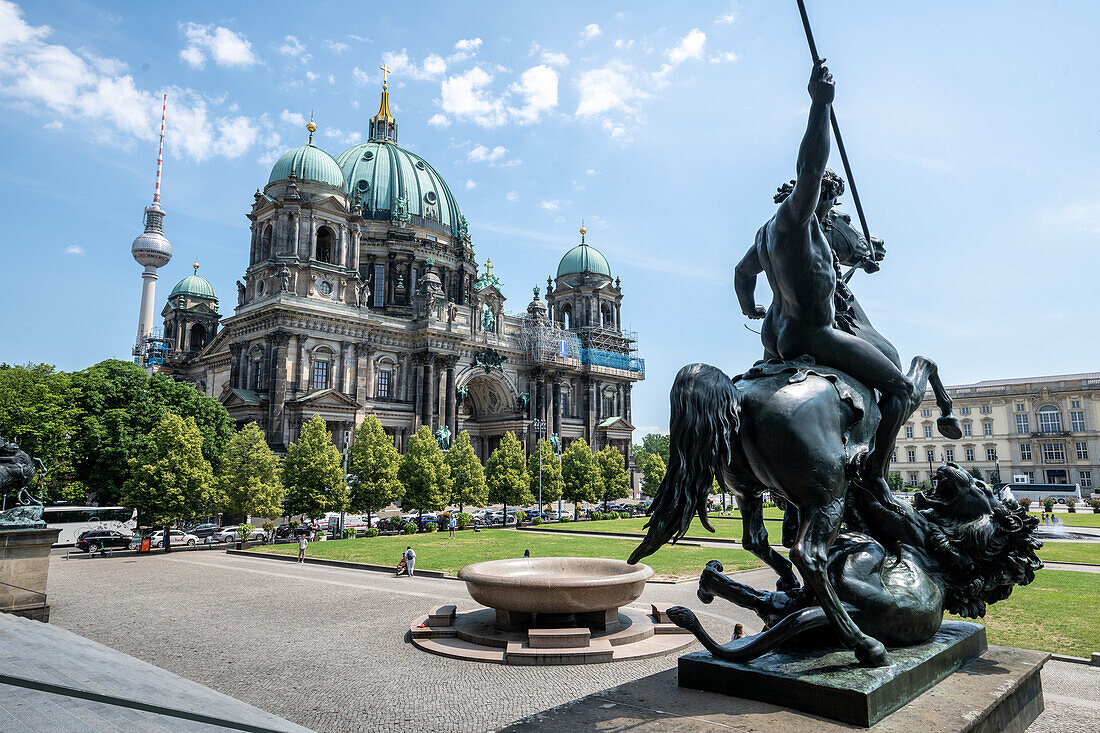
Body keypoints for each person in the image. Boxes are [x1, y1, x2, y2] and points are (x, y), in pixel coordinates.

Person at [733, 60, 920, 513]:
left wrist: (750, 309)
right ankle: (875, 474)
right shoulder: (795, 220)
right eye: (828, 201)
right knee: (901, 389)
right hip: (812, 333)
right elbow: (812, 165)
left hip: (772, 338)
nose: (831, 208)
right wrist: (820, 105)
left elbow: (742, 274)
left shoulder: (766, 234)